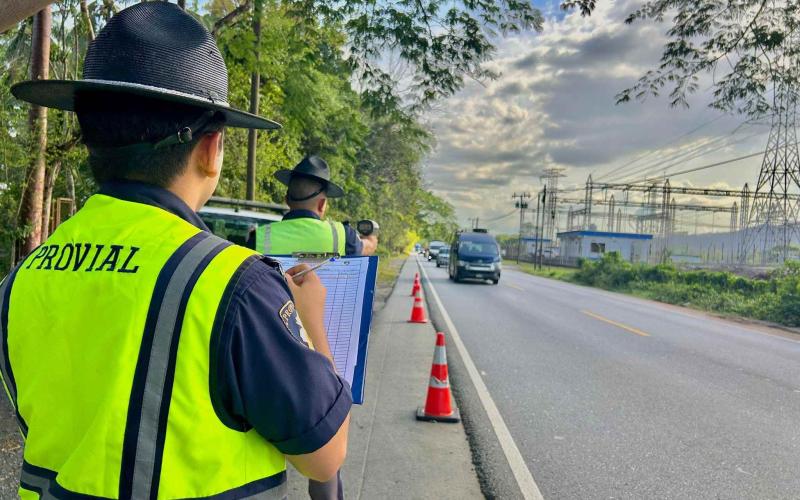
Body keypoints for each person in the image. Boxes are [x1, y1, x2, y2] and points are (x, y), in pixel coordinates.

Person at [2, 3, 351, 498]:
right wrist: (312, 320)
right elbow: (326, 456)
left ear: (88, 141)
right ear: (211, 149)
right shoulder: (233, 286)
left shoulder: (21, 280)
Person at [258, 155, 378, 256]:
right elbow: (368, 247)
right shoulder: (343, 236)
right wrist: (372, 237)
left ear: (286, 200)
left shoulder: (260, 237)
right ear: (322, 204)